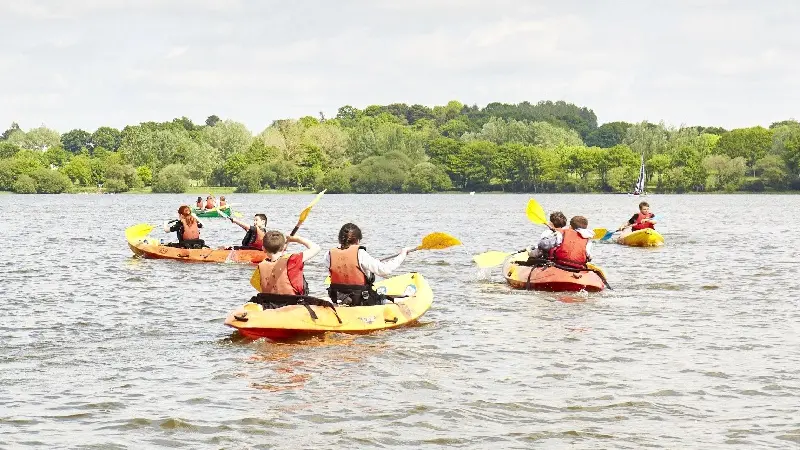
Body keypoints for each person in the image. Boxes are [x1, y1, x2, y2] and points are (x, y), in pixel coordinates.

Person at [325, 223, 413, 306]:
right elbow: (384, 270)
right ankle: (405, 298)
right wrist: (402, 255)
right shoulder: (360, 253)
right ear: (357, 241)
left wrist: (372, 263)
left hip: (338, 297)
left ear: (340, 239)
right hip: (361, 299)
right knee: (384, 299)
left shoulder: (329, 254)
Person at [257, 231, 320, 296]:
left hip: (269, 304)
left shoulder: (260, 266)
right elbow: (316, 248)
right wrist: (297, 239)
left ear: (263, 248)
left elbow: (260, 288)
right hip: (294, 302)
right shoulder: (293, 260)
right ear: (284, 247)